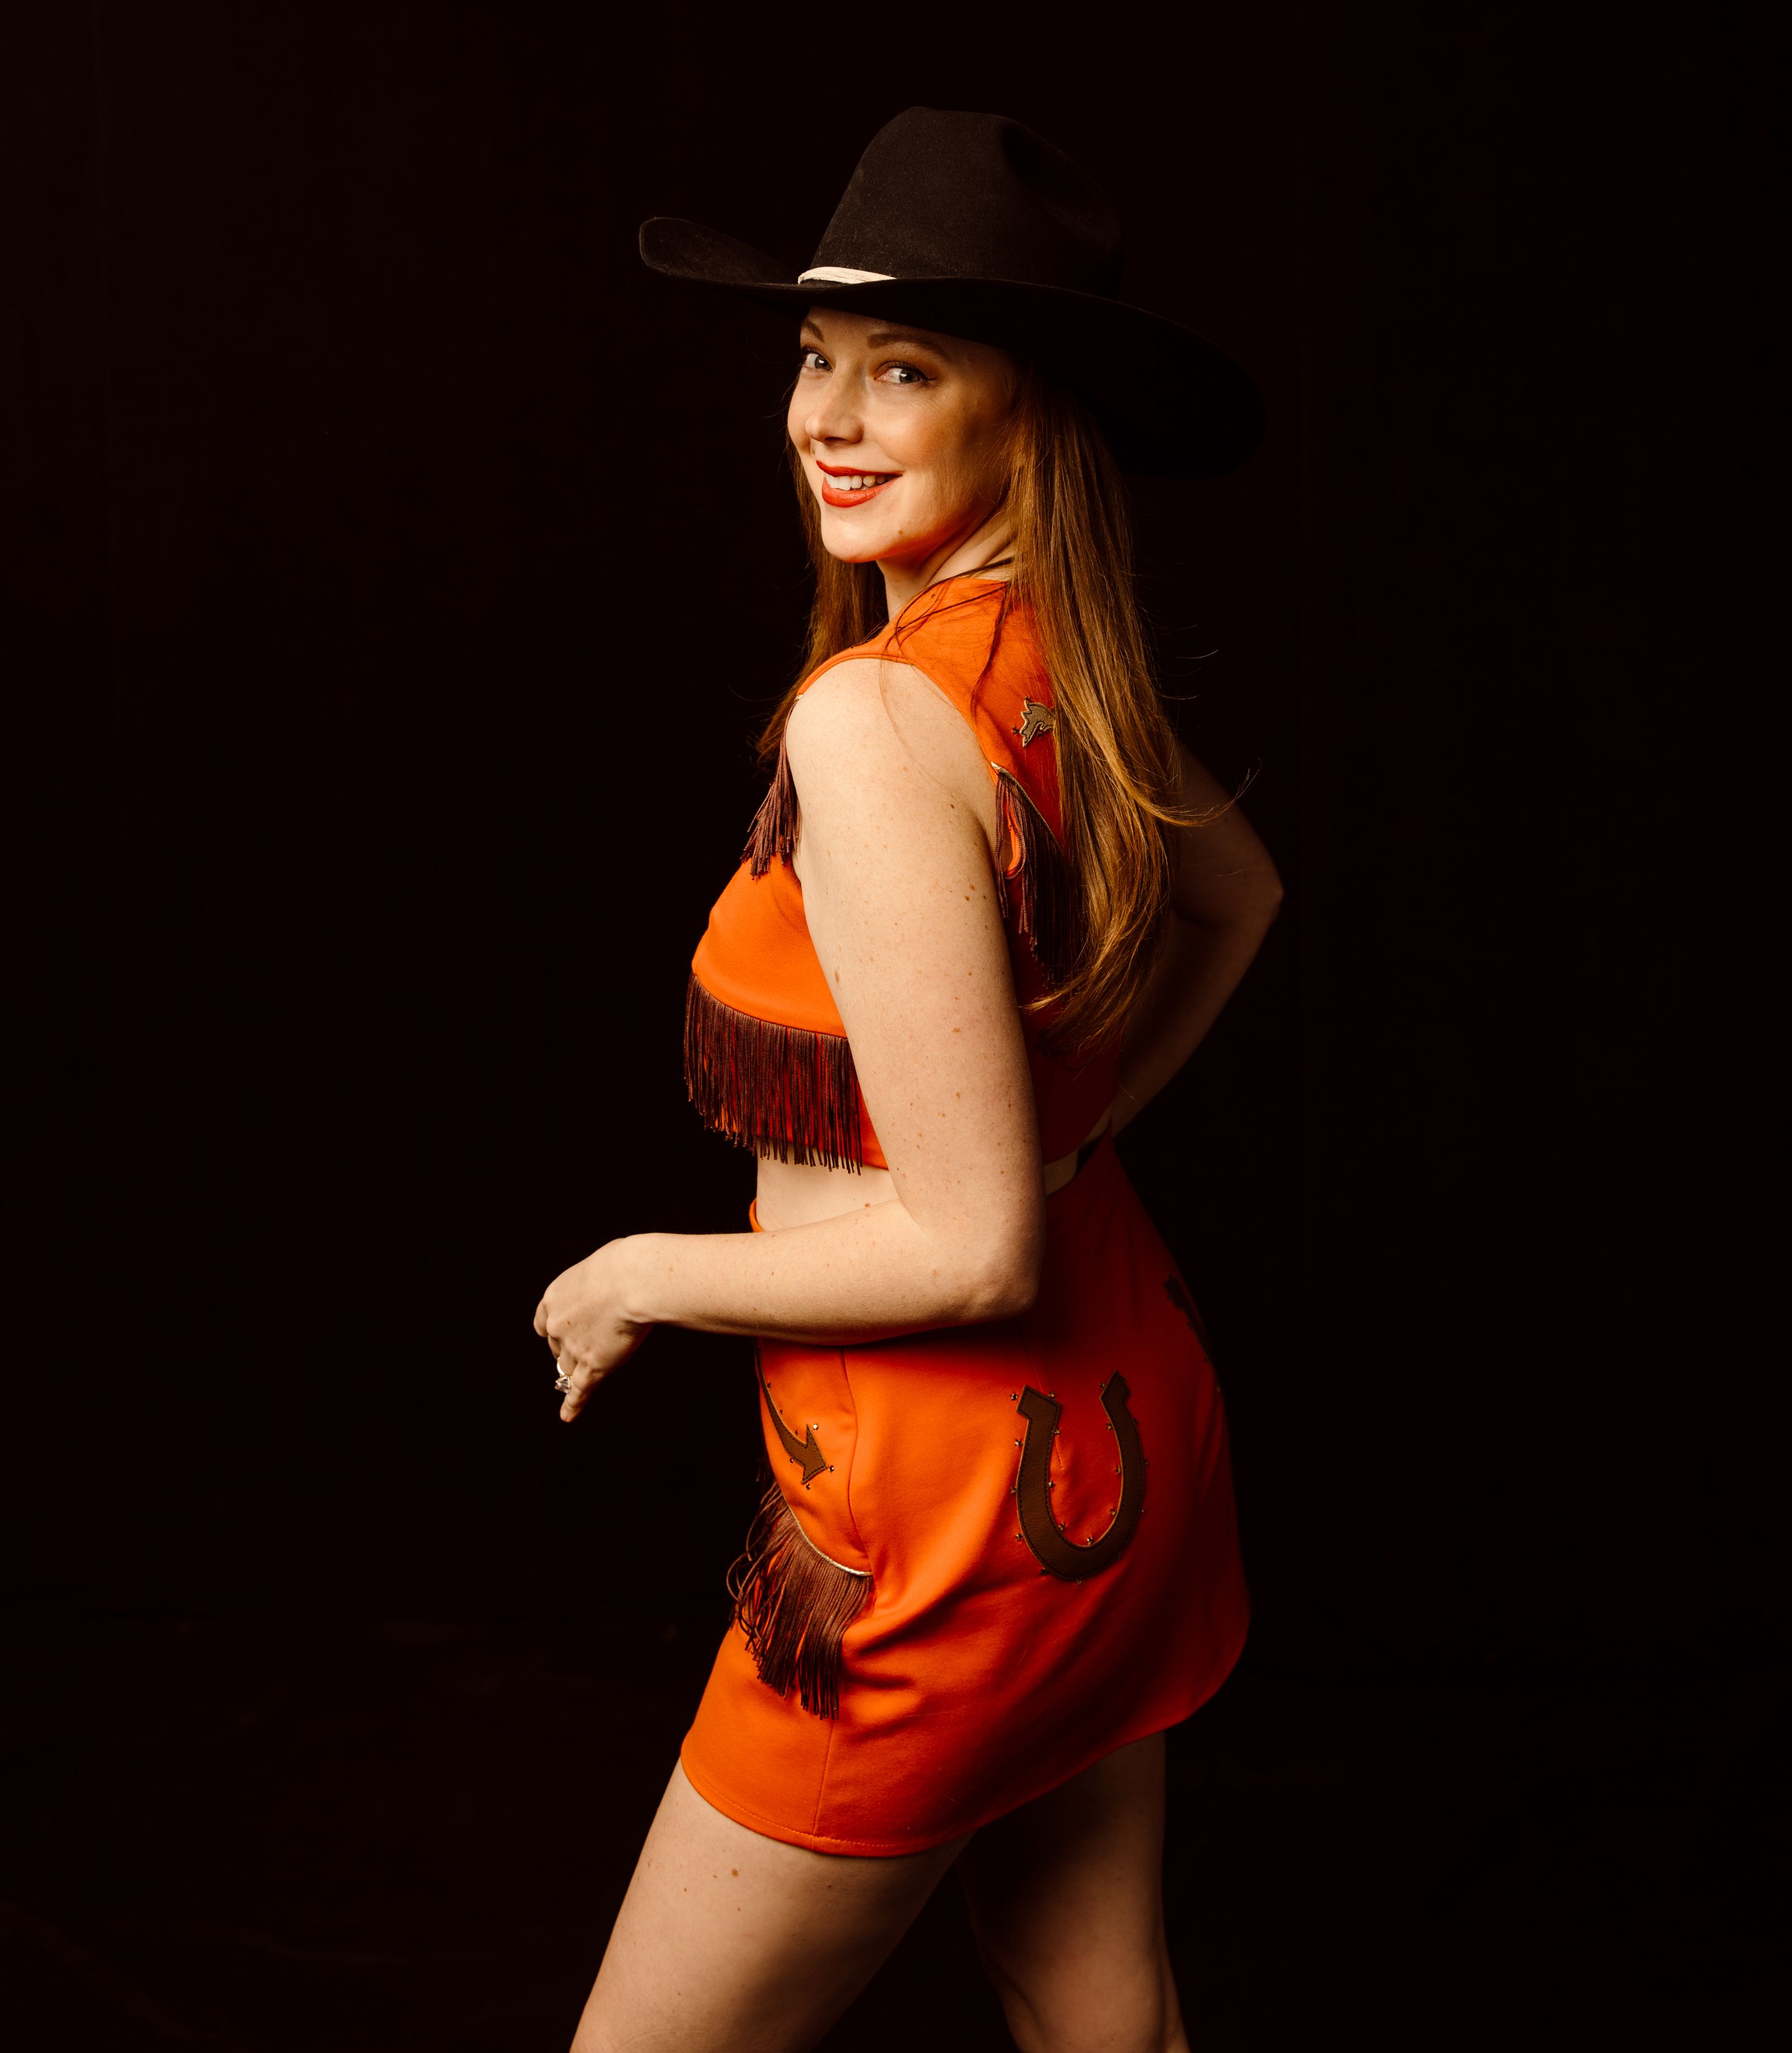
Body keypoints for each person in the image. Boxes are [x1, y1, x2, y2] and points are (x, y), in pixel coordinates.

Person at [535, 108, 1283, 2053]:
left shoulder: (871, 722)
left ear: (1023, 412)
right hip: (1111, 1452)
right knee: (1087, 1991)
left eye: (907, 369)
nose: (831, 418)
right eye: (816, 356)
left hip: (946, 1518)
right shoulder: (1049, 657)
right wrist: (1070, 1133)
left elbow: (970, 1251)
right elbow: (1242, 894)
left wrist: (636, 1272)